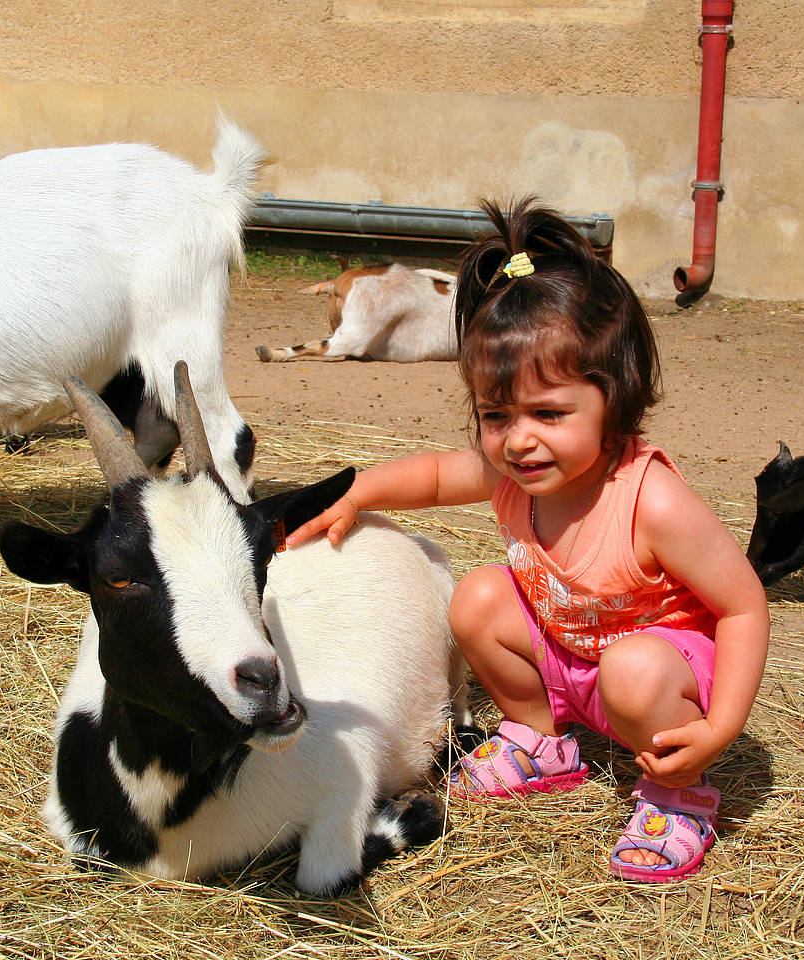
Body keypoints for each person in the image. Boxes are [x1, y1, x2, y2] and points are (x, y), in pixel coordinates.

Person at [286, 197, 770, 883]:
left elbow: (744, 607)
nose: (517, 438)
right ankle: (543, 739)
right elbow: (429, 476)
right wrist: (355, 494)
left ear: (618, 399)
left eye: (548, 412)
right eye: (494, 414)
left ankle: (679, 795)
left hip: (658, 677)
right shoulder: (517, 474)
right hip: (572, 659)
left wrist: (719, 728)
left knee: (633, 669)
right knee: (479, 595)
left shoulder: (651, 500)